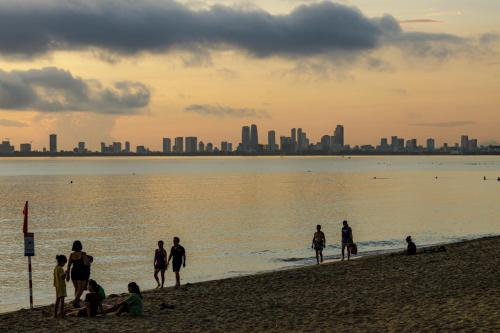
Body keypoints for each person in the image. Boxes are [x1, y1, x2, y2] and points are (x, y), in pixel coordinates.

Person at [66, 240, 90, 307]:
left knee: (76, 289)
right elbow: (86, 263)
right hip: (81, 272)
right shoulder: (83, 254)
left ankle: (77, 303)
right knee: (81, 289)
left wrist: (67, 275)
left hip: (73, 272)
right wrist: (87, 258)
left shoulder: (71, 254)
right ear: (80, 246)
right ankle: (75, 301)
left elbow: (69, 265)